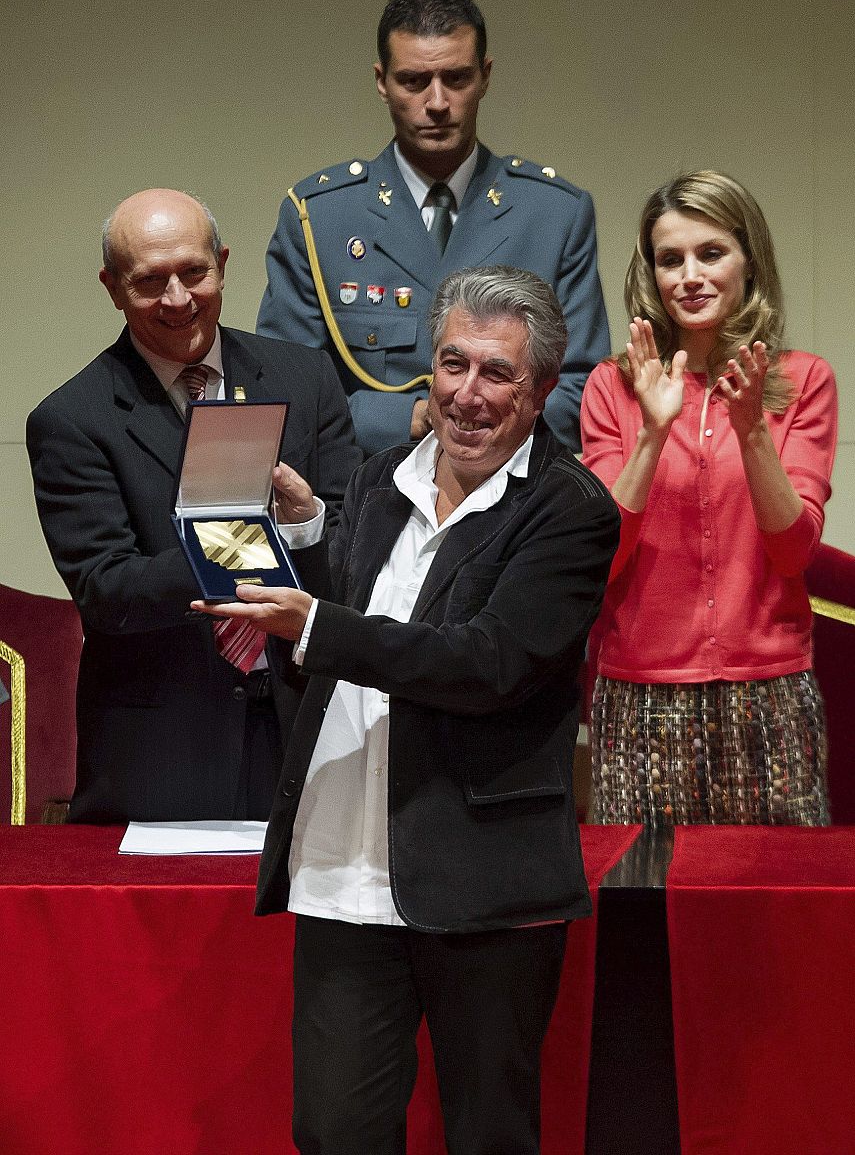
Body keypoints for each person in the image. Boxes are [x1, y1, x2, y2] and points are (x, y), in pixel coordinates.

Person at [195, 266, 619, 1155]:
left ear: (542, 388)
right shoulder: (381, 477)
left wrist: (317, 623)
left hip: (482, 881)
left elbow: (489, 662)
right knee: (334, 1132)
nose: (467, 394)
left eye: (497, 373)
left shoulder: (569, 510)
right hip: (343, 865)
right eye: (451, 363)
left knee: (487, 1135)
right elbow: (344, 615)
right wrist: (299, 536)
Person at [27, 188, 361, 824]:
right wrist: (253, 538)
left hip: (304, 728)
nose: (178, 300)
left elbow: (353, 552)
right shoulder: (73, 420)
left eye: (194, 273)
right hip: (160, 751)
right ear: (112, 287)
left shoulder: (305, 381)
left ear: (224, 264)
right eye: (151, 281)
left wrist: (307, 524)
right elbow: (106, 590)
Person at [580, 170, 837, 827]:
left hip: (768, 689)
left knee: (770, 915)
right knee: (643, 914)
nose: (688, 276)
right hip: (638, 691)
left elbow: (792, 551)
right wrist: (653, 428)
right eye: (670, 260)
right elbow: (600, 559)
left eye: (709, 253)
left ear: (747, 261)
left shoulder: (801, 380)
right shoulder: (613, 387)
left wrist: (751, 427)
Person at [257, 0, 610, 455]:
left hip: (514, 499)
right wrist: (411, 418)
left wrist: (481, 424)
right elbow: (289, 397)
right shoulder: (320, 217)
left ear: (485, 76)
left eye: (457, 78)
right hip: (369, 495)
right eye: (414, 81)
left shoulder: (553, 215)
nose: (438, 102)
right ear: (382, 82)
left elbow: (584, 389)